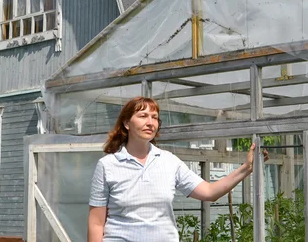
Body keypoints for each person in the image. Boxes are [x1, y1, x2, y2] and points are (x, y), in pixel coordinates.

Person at [88, 96, 269, 242]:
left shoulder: (168, 161)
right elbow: (96, 223)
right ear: (127, 124)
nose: (150, 122)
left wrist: (246, 168)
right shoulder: (108, 165)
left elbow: (209, 191)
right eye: (143, 116)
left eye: (155, 118)